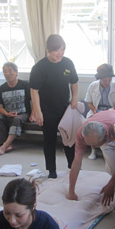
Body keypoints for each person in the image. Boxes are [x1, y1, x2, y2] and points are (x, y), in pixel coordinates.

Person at [67, 109, 115, 205]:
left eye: (95, 144)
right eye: (89, 144)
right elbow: (76, 161)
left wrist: (111, 184)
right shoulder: (82, 134)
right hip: (108, 125)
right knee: (112, 169)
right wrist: (71, 192)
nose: (92, 147)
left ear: (105, 136)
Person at [30, 34, 79, 179]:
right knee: (49, 140)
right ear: (48, 50)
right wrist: (38, 111)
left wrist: (74, 98)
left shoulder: (68, 63)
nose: (60, 53)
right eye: (56, 50)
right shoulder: (39, 67)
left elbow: (74, 82)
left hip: (65, 108)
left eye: (62, 49)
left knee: (69, 139)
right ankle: (51, 170)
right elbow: (34, 90)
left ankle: (72, 165)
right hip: (47, 110)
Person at [84, 63, 115, 160]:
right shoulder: (93, 86)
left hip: (113, 112)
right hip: (97, 112)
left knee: (114, 128)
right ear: (100, 79)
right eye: (105, 80)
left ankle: (114, 150)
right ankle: (93, 150)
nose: (107, 82)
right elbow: (89, 102)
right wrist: (94, 109)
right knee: (91, 127)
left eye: (109, 80)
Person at [0, 62, 33, 155]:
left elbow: (34, 101)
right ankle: (5, 143)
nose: (7, 73)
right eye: (5, 71)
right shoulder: (1, 89)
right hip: (7, 113)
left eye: (10, 70)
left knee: (17, 119)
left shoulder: (25, 85)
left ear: (16, 72)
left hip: (23, 113)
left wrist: (33, 114)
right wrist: (6, 113)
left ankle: (5, 145)